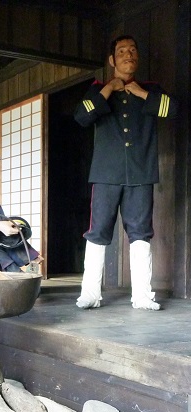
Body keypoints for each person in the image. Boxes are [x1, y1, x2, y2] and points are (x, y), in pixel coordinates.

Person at [74, 35, 178, 310]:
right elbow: (82, 116)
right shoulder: (97, 89)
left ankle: (143, 296)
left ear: (138, 57)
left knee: (141, 233)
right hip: (106, 173)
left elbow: (172, 109)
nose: (128, 55)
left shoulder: (152, 90)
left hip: (141, 173)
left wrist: (139, 93)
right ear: (112, 60)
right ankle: (90, 294)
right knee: (97, 233)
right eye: (122, 51)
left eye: (132, 50)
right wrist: (110, 88)